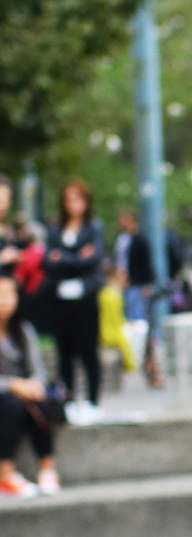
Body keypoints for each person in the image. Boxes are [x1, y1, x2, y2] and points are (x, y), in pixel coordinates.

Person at [43, 179, 105, 425]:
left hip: (85, 298)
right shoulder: (55, 228)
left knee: (89, 350)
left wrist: (62, 258)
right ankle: (67, 400)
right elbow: (48, 260)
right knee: (64, 352)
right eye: (69, 199)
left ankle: (92, 401)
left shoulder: (93, 227)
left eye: (78, 199)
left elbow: (92, 259)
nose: (73, 204)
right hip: (60, 299)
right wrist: (76, 257)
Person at [0, 276, 60, 498]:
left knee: (40, 401)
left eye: (10, 294)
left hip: (25, 393)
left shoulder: (23, 330)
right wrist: (13, 385)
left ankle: (47, 468)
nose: (5, 300)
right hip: (6, 396)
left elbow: (39, 369)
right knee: (12, 406)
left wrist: (35, 385)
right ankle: (5, 473)